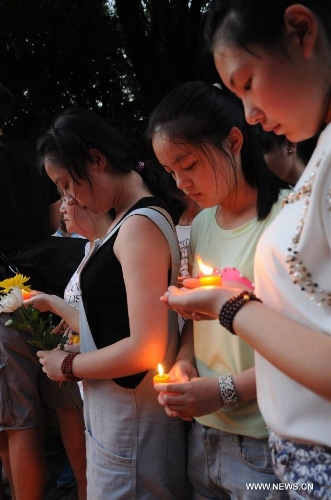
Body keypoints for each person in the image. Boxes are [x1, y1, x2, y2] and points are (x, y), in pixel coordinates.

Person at [159, 1, 331, 497]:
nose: (253, 112)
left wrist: (226, 306)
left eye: (248, 82)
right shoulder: (316, 161)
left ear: (301, 30)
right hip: (280, 448)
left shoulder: (285, 204)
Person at [30, 107, 189, 500]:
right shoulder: (129, 222)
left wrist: (68, 364)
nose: (69, 198)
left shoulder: (138, 226)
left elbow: (146, 346)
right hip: (120, 418)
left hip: (132, 423)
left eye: (68, 184)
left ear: (97, 160)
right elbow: (120, 323)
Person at [148, 80, 290, 499]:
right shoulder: (204, 222)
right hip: (205, 435)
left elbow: (306, 348)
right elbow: (199, 319)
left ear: (233, 141)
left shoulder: (287, 222)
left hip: (266, 442)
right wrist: (186, 363)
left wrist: (224, 391)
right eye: (171, 172)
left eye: (188, 164)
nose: (180, 183)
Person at [0, 83, 62, 500]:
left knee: (15, 420)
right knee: (63, 407)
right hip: (46, 288)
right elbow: (59, 218)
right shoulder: (30, 157)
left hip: (4, 299)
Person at [38, 196, 115, 499]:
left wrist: (54, 304)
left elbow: (108, 330)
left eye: (69, 197)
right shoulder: (89, 247)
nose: (60, 207)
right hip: (86, 374)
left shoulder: (113, 248)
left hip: (103, 379)